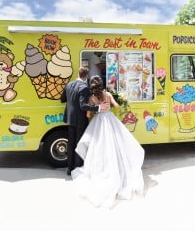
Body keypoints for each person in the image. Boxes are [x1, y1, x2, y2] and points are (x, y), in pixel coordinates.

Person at [71, 75, 145, 208]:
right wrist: (119, 100)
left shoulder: (92, 98)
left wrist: (95, 111)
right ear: (102, 84)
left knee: (99, 147)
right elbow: (116, 106)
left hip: (98, 122)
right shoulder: (108, 94)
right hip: (110, 120)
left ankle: (101, 169)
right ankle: (118, 168)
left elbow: (88, 114)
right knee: (115, 144)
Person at [61, 67, 110, 176]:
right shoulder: (83, 88)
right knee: (79, 143)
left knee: (71, 143)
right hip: (80, 119)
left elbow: (62, 99)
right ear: (86, 76)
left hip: (69, 118)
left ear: (78, 74)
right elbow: (83, 106)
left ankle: (69, 168)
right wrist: (99, 107)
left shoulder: (69, 85)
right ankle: (77, 167)